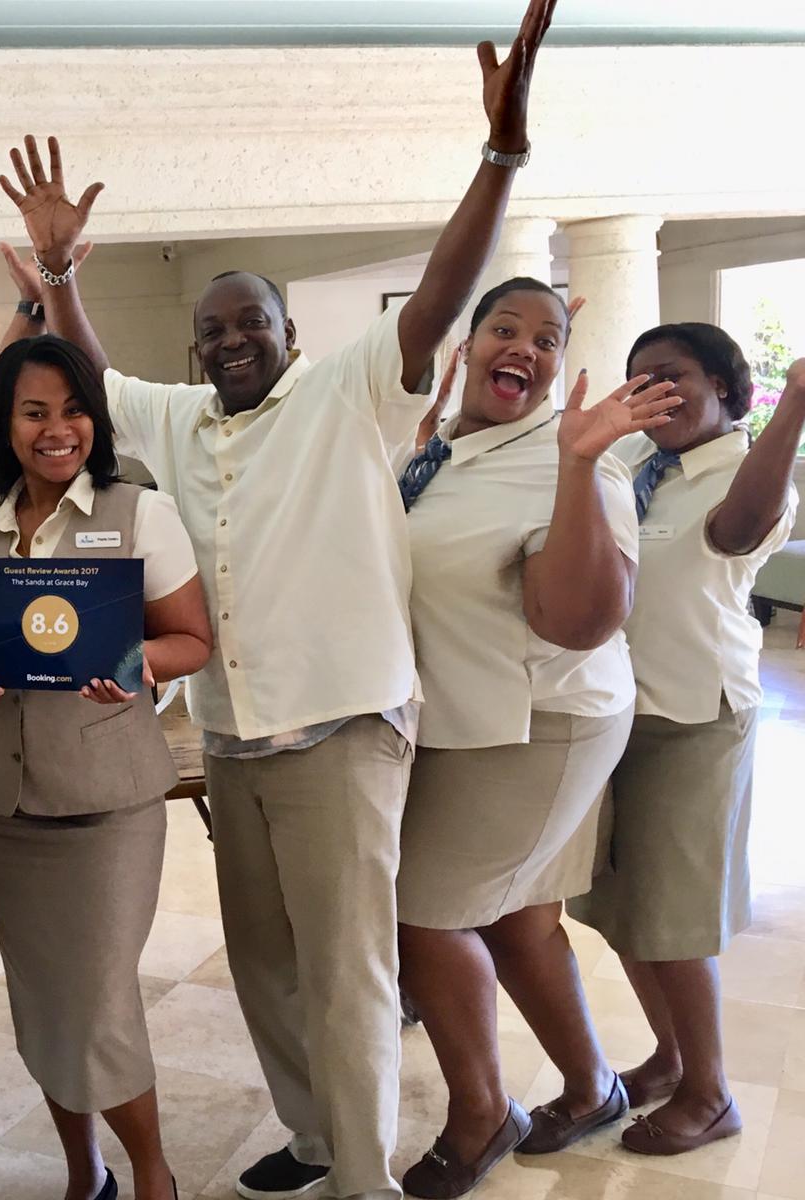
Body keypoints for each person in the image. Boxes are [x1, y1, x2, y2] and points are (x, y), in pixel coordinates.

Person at [0, 5, 557, 1197]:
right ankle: (313, 1139)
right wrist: (58, 276)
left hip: (342, 731)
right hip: (234, 741)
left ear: (289, 331)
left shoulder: (350, 393)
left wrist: (499, 157)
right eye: (212, 330)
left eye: (251, 320)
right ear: (197, 350)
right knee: (265, 965)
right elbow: (92, 374)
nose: (232, 339)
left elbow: (439, 295)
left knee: (347, 972)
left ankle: (362, 1175)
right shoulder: (181, 420)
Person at [390, 279, 679, 1198]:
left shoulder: (579, 462)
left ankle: (483, 1114)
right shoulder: (438, 449)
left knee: (422, 915)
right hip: (462, 716)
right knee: (518, 919)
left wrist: (576, 465)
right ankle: (592, 1088)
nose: (525, 347)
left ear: (557, 366)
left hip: (539, 721)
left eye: (547, 339)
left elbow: (579, 622)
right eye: (505, 329)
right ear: (468, 346)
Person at [0, 335, 211, 1200]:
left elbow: (192, 640)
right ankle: (83, 1172)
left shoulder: (140, 512)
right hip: (3, 806)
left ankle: (153, 1176)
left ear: (95, 420)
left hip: (108, 807)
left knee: (98, 1002)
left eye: (72, 410)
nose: (56, 429)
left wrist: (133, 663)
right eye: (33, 412)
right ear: (6, 424)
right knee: (43, 998)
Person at [570, 329, 805, 1156]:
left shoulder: (752, 472)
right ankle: (670, 1057)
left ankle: (711, 1093)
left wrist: (796, 402)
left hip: (694, 718)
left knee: (673, 917)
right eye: (640, 380)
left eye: (671, 379)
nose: (652, 394)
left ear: (726, 388)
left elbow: (736, 533)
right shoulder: (634, 463)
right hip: (612, 714)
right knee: (619, 908)